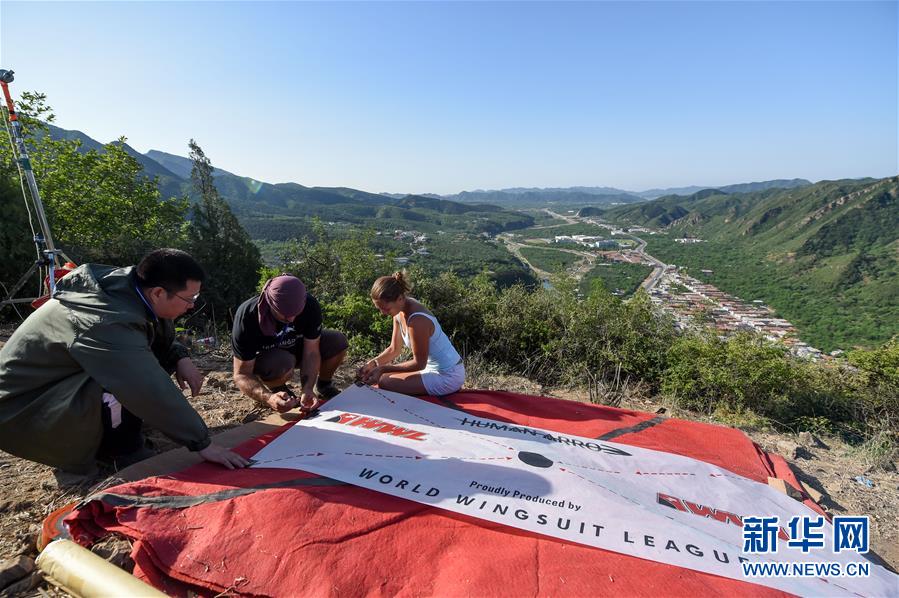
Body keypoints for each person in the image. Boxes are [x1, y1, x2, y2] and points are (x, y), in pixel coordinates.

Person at [0, 249, 249, 484]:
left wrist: (179, 357)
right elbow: (143, 385)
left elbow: (156, 340)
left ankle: (114, 432)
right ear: (159, 293)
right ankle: (120, 450)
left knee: (140, 365)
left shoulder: (127, 291)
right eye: (189, 298)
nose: (192, 305)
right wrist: (202, 443)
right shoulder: (104, 320)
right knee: (124, 381)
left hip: (53, 390)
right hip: (22, 410)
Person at [231, 274, 348, 413]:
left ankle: (323, 386)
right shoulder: (248, 316)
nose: (292, 319)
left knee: (337, 341)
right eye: (285, 315)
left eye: (296, 313)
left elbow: (311, 352)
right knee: (282, 362)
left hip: (297, 348)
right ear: (270, 303)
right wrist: (268, 398)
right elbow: (241, 374)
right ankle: (278, 390)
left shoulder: (310, 305)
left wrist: (308, 388)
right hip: (271, 360)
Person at [359, 272, 464, 396]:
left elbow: (419, 363)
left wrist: (382, 368)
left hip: (448, 375)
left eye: (386, 309)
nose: (383, 313)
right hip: (430, 369)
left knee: (385, 382)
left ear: (400, 298)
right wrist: (373, 363)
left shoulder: (417, 321)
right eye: (379, 308)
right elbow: (394, 349)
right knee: (386, 377)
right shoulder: (399, 310)